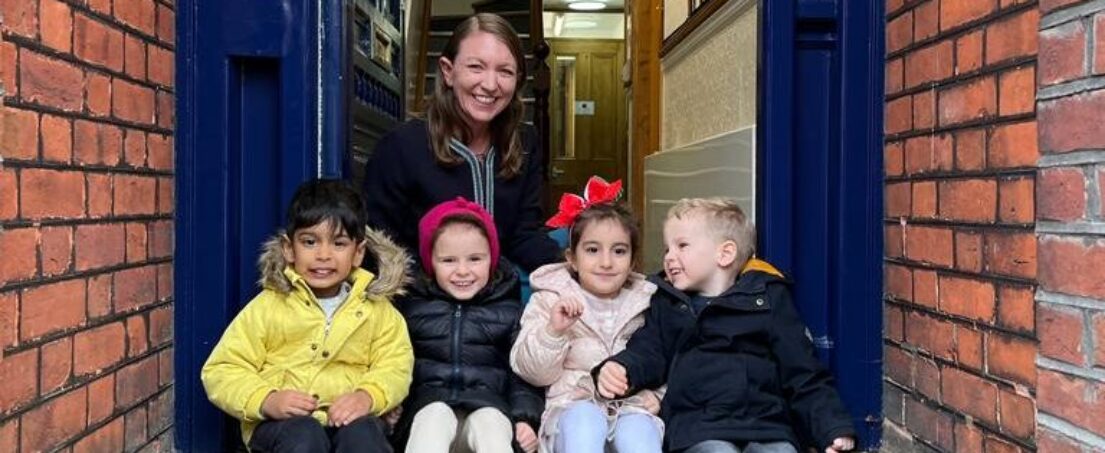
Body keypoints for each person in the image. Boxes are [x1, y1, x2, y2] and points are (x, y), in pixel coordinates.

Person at [594, 198, 856, 453]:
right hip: (698, 427)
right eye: (667, 249)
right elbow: (649, 349)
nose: (669, 257)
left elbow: (803, 372)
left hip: (766, 426)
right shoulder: (669, 304)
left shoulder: (767, 299)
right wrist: (622, 368)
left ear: (725, 253)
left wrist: (832, 428)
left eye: (681, 246)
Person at [201, 179, 414, 453]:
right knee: (304, 437)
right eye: (310, 242)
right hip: (283, 426)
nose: (323, 255)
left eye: (338, 244)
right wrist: (267, 400)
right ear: (289, 249)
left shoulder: (378, 311)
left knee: (363, 437)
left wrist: (367, 396)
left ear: (358, 253)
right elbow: (221, 369)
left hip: (350, 418)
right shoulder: (268, 306)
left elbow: (395, 366)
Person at [363, 13, 560, 274]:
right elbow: (382, 246)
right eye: (476, 67)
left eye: (505, 71)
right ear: (448, 71)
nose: (490, 85)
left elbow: (523, 235)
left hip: (498, 301)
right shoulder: (401, 147)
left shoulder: (525, 142)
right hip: (423, 304)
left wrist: (576, 263)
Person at [510, 177, 664, 453]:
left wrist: (659, 395)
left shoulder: (648, 302)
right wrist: (553, 332)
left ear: (633, 261)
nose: (606, 262)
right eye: (592, 250)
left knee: (640, 431)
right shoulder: (550, 299)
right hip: (571, 410)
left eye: (619, 251)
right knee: (585, 421)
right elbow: (531, 372)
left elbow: (668, 358)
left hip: (631, 407)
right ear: (572, 258)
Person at [393, 197, 543, 453]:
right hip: (428, 409)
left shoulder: (508, 312)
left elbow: (522, 373)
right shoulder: (412, 309)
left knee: (491, 422)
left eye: (475, 259)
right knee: (435, 416)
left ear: (491, 260)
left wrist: (525, 418)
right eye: (449, 261)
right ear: (431, 264)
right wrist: (391, 405)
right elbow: (394, 362)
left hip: (489, 407)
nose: (462, 271)